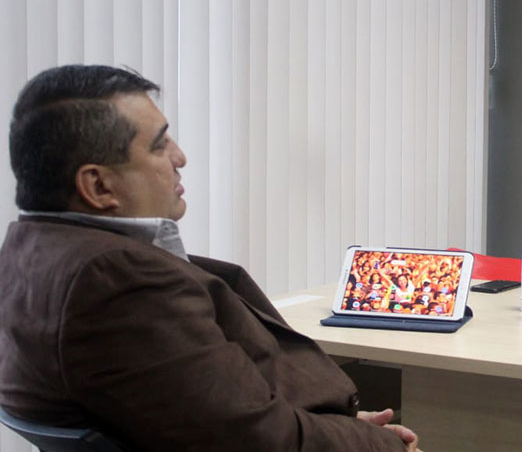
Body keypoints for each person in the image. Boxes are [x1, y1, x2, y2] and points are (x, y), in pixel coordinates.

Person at [0, 65, 420, 451]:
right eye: (159, 145)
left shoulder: (32, 253)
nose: (179, 158)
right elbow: (258, 440)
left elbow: (205, 408)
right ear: (98, 186)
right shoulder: (119, 280)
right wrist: (380, 446)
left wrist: (341, 426)